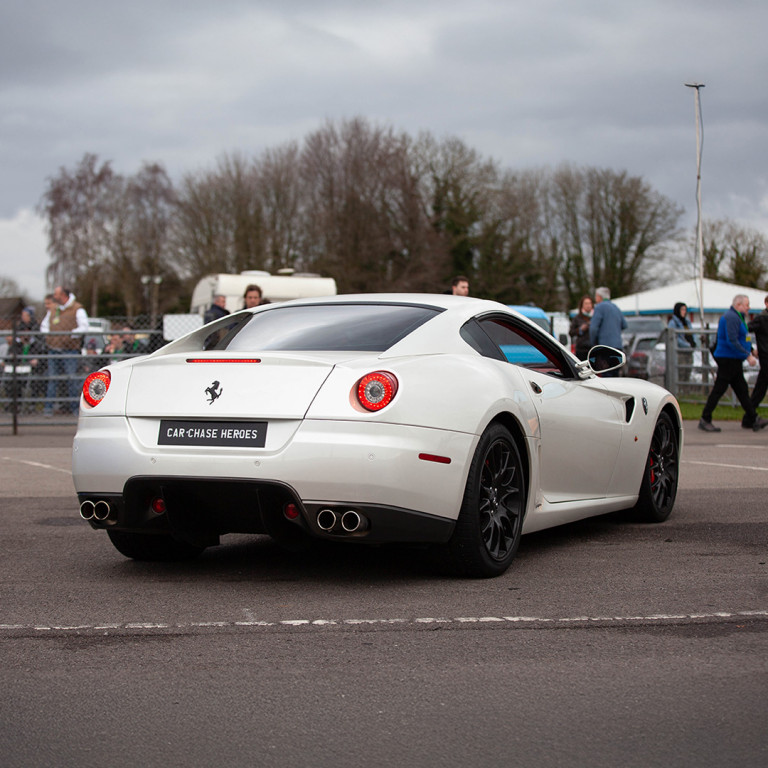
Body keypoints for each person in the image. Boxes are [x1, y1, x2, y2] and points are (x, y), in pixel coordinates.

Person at [699, 294, 768, 432]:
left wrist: (752, 350)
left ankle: (753, 418)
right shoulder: (731, 317)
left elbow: (743, 338)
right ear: (738, 305)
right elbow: (732, 340)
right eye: (747, 305)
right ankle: (705, 418)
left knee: (742, 390)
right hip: (728, 359)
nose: (749, 308)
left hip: (734, 360)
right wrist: (747, 356)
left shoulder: (738, 317)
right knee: (719, 389)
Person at [40, 285, 89, 416]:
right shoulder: (53, 309)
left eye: (56, 295)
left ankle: (74, 408)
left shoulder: (77, 309)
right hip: (54, 349)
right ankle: (48, 408)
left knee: (71, 379)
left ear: (63, 295)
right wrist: (49, 335)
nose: (54, 297)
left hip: (70, 350)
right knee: (53, 379)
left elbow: (84, 327)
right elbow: (44, 325)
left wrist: (69, 335)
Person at [589, 286, 627, 376]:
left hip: (605, 348)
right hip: (618, 348)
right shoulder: (616, 308)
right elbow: (624, 325)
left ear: (599, 297)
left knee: (607, 377)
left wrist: (593, 344)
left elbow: (593, 328)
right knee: (615, 376)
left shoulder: (599, 307)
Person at [745, 294, 768, 426]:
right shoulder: (761, 319)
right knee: (760, 389)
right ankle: (749, 418)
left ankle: (749, 418)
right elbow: (745, 332)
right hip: (765, 358)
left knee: (760, 389)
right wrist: (751, 347)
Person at [668, 302, 696, 384]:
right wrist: (687, 345)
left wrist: (693, 343)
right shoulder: (673, 323)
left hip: (689, 351)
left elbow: (692, 333)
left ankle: (685, 390)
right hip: (680, 352)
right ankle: (679, 390)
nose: (684, 311)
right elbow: (674, 338)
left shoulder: (687, 322)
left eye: (685, 310)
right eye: (682, 309)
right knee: (681, 372)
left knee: (688, 371)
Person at [569, 295, 594, 360]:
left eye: (589, 303)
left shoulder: (596, 317)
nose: (588, 305)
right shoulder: (577, 318)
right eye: (586, 303)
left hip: (593, 348)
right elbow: (571, 333)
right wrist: (580, 329)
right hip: (581, 349)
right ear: (582, 305)